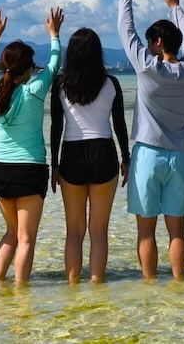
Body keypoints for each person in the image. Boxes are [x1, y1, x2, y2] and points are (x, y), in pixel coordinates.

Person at [117, 0, 184, 280]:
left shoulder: (148, 68)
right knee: (177, 229)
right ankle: (180, 284)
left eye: (151, 42)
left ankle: (150, 284)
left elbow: (126, 29)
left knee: (146, 230)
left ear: (156, 43)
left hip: (148, 155)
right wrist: (175, 7)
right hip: (180, 157)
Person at [0, 6, 64, 284]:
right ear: (28, 69)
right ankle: (20, 290)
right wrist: (54, 34)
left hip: (1, 171)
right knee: (26, 238)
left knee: (10, 232)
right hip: (30, 171)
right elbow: (54, 65)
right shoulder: (34, 91)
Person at [50, 28, 131, 283]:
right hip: (104, 153)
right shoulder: (111, 83)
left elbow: (56, 127)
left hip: (71, 154)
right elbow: (120, 125)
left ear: (71, 53)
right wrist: (125, 158)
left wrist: (54, 165)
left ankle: (73, 285)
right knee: (99, 232)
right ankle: (97, 284)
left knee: (74, 232)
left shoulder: (60, 84)